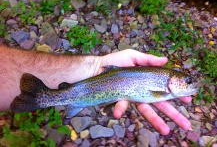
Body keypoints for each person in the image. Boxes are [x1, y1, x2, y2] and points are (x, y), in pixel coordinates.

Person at [0, 43, 191, 135]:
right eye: (187, 81)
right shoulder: (163, 89)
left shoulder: (164, 84)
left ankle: (45, 97)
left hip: (104, 83)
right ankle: (44, 97)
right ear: (173, 80)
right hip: (99, 83)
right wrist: (95, 66)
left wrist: (96, 65)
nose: (189, 86)